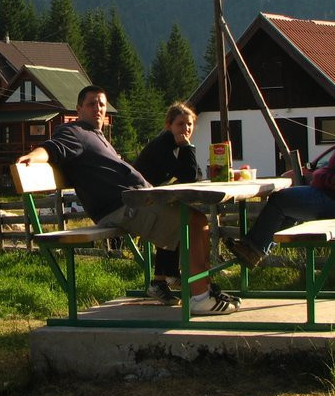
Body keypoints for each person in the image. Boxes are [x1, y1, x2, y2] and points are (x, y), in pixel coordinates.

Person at [16, 85, 238, 315]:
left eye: (101, 104)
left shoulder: (96, 135)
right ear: (79, 108)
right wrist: (33, 156)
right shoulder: (73, 132)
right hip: (120, 208)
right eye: (91, 104)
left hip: (134, 201)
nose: (98, 108)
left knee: (198, 219)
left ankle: (204, 291)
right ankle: (200, 297)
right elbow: (53, 148)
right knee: (191, 222)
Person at [227, 93, 335, 268]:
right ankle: (256, 249)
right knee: (288, 203)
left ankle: (254, 249)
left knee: (279, 199)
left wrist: (318, 174)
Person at [133, 101, 201, 306]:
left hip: (150, 197)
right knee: (175, 218)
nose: (186, 129)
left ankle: (166, 277)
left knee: (179, 214)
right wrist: (187, 147)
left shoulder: (175, 145)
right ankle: (163, 279)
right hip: (136, 201)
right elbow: (189, 176)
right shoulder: (164, 145)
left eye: (189, 124)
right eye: (180, 124)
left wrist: (186, 148)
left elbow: (196, 175)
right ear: (169, 125)